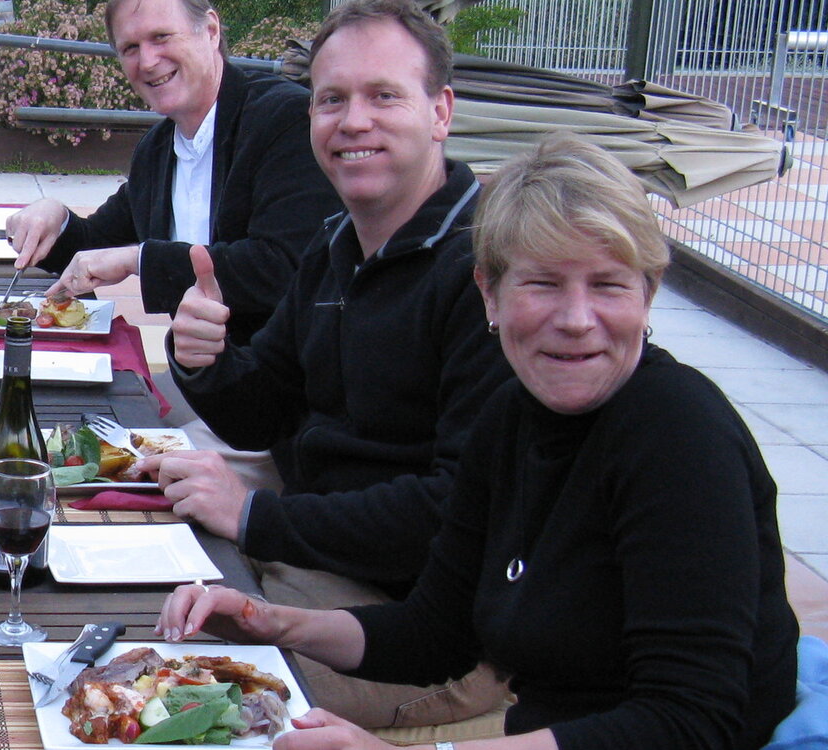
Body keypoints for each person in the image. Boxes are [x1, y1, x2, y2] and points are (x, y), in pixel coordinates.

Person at [155, 134, 800, 750]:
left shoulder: (680, 434)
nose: (577, 320)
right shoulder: (511, 418)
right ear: (489, 293)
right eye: (543, 283)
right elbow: (437, 631)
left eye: (608, 284)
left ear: (648, 294)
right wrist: (270, 622)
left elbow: (688, 723)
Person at [139, 0, 515, 728]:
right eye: (332, 99)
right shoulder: (338, 242)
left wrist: (257, 517)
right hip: (317, 558)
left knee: (163, 685)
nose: (353, 121)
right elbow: (264, 410)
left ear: (440, 111)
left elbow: (451, 508)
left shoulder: (488, 273)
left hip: (421, 627)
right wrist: (204, 360)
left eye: (384, 96)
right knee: (121, 566)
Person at [3, 0, 340, 345]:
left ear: (210, 31)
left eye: (161, 37)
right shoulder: (157, 149)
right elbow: (96, 245)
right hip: (202, 373)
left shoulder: (285, 119)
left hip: (294, 372)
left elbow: (284, 266)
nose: (147, 61)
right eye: (130, 48)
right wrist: (54, 218)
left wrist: (139, 260)